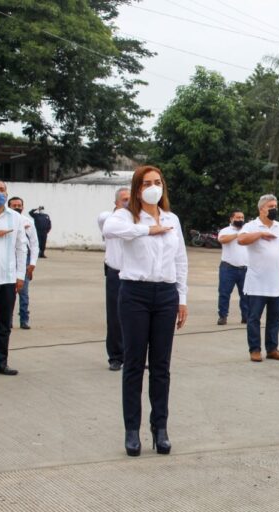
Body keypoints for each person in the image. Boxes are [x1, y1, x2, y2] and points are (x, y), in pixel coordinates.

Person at [103, 166, 188, 457]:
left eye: (158, 182)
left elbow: (181, 261)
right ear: (138, 188)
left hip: (165, 294)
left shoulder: (172, 219)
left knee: (161, 366)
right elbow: (109, 229)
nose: (154, 187)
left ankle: (160, 428)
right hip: (134, 293)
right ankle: (131, 430)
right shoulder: (126, 216)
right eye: (147, 183)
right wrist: (147, 228)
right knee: (134, 365)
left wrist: (182, 298)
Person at [238, 194, 279, 362]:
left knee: (275, 318)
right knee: (254, 318)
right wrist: (260, 234)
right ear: (261, 209)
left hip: (277, 283)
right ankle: (255, 350)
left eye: (276, 206)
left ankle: (272, 348)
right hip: (257, 283)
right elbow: (241, 239)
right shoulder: (251, 226)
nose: (274, 209)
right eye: (271, 207)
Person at [0, 178, 27, 376]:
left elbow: (21, 248)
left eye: (2, 189)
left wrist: (20, 276)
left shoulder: (16, 217)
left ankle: (1, 363)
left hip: (8, 279)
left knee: (4, 324)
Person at [97, 187, 130, 371]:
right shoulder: (109, 219)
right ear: (116, 203)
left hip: (134, 274)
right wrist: (121, 213)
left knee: (135, 318)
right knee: (115, 316)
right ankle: (116, 356)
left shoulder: (136, 221)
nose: (128, 202)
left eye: (130, 199)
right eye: (124, 199)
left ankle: (134, 355)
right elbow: (103, 218)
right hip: (115, 272)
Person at [7, 197, 39, 330]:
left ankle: (24, 319)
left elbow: (34, 244)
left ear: (23, 207)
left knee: (23, 292)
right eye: (14, 205)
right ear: (9, 207)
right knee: (8, 292)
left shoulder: (28, 222)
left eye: (19, 205)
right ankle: (8, 320)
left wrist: (32, 263)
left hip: (23, 260)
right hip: (8, 259)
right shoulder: (5, 221)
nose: (17, 207)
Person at [216, 211, 249, 326]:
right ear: (231, 219)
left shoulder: (248, 230)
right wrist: (237, 234)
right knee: (224, 293)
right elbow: (222, 240)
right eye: (237, 217)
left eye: (242, 217)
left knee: (245, 294)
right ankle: (223, 316)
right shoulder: (225, 230)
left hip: (245, 268)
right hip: (228, 268)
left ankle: (246, 317)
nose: (240, 219)